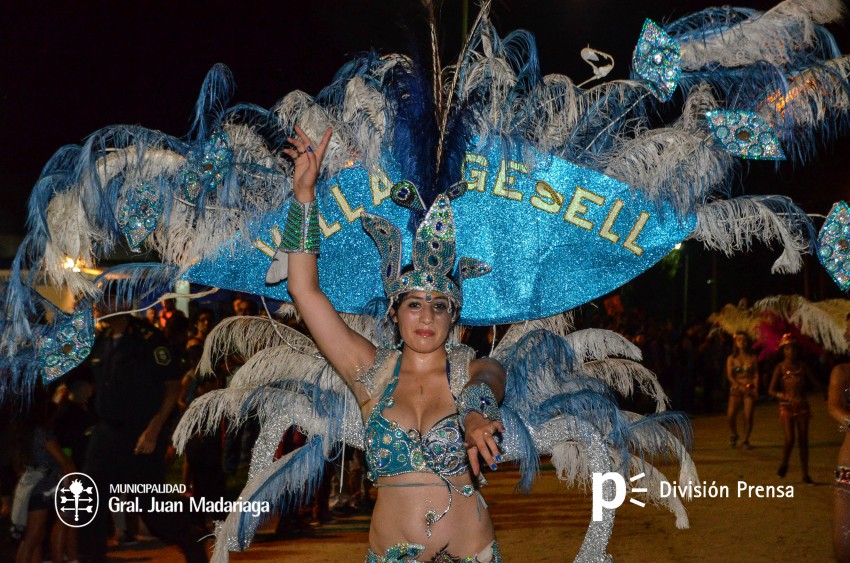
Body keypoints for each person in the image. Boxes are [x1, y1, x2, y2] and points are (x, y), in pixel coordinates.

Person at [283, 125, 506, 562]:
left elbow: (493, 374)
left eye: (439, 305)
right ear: (394, 310)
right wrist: (304, 197)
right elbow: (304, 291)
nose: (426, 316)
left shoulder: (466, 370)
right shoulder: (371, 370)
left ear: (453, 315)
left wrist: (477, 410)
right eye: (414, 304)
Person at [79, 292, 208, 563]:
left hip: (139, 434)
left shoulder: (148, 339)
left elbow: (172, 387)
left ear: (125, 305)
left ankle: (191, 539)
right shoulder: (100, 342)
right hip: (105, 434)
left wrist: (153, 430)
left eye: (106, 302)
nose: (99, 307)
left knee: (152, 510)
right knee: (89, 501)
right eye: (99, 302)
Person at [768, 333, 822, 483]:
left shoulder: (802, 367)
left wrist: (826, 392)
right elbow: (770, 390)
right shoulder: (780, 368)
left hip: (803, 405)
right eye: (787, 349)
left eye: (793, 349)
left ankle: (805, 474)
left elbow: (815, 382)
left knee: (803, 440)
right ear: (783, 351)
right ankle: (784, 463)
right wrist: (785, 396)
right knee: (790, 439)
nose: (790, 352)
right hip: (786, 407)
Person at [828, 313, 850, 561]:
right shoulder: (842, 372)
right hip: (849, 462)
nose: (846, 335)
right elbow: (834, 407)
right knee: (843, 539)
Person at [726, 332, 760, 450]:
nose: (742, 342)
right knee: (730, 415)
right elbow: (730, 375)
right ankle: (734, 433)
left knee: (748, 416)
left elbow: (756, 374)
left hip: (749, 388)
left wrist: (756, 388)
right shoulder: (731, 358)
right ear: (735, 342)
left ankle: (746, 439)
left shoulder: (753, 358)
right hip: (736, 389)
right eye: (739, 340)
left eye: (744, 340)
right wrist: (738, 385)